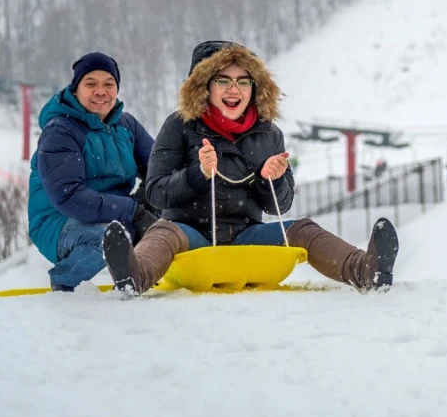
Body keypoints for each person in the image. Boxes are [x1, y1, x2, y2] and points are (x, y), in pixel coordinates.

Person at [102, 40, 399, 296]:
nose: (234, 89)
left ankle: (366, 270)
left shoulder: (268, 134)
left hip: (246, 234)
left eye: (243, 81)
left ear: (254, 87)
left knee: (303, 228)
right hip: (190, 232)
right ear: (204, 87)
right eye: (223, 80)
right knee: (163, 233)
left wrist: (271, 178)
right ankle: (134, 277)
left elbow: (280, 206)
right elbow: (155, 193)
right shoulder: (179, 126)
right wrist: (198, 175)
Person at [28, 52, 158, 292]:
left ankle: (150, 273)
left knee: (164, 221)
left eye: (109, 84)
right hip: (58, 221)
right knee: (106, 238)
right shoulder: (61, 131)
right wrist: (134, 211)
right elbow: (70, 198)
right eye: (91, 84)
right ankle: (64, 279)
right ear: (76, 89)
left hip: (114, 214)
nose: (101, 91)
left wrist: (153, 201)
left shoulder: (126, 125)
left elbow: (159, 168)